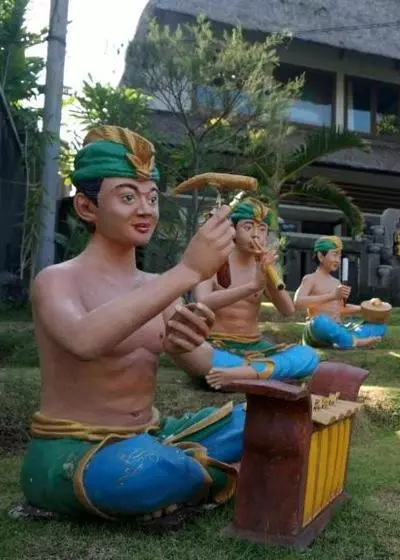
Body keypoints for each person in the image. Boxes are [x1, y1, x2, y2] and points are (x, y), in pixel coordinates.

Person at [20, 125, 243, 522]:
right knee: (147, 473)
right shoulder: (57, 280)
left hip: (148, 435)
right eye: (127, 197)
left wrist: (272, 379)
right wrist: (190, 269)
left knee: (254, 423)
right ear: (87, 208)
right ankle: (205, 473)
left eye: (152, 197)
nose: (145, 209)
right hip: (76, 450)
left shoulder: (157, 288)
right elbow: (84, 340)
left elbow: (201, 362)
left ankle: (189, 470)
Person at [191, 197, 319, 390]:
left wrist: (268, 274)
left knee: (309, 356)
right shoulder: (214, 261)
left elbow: (288, 309)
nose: (256, 235)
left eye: (262, 229)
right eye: (248, 227)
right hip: (217, 344)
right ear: (233, 230)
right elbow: (202, 303)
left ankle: (243, 374)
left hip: (255, 346)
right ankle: (262, 374)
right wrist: (251, 286)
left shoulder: (263, 268)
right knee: (197, 355)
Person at [295, 236, 385, 349]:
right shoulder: (310, 279)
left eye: (340, 255)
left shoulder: (336, 282)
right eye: (334, 254)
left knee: (378, 326)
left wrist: (365, 308)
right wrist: (332, 296)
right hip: (320, 331)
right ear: (321, 256)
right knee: (319, 321)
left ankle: (343, 341)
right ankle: (356, 342)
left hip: (339, 327)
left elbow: (340, 309)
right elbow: (298, 302)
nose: (338, 260)